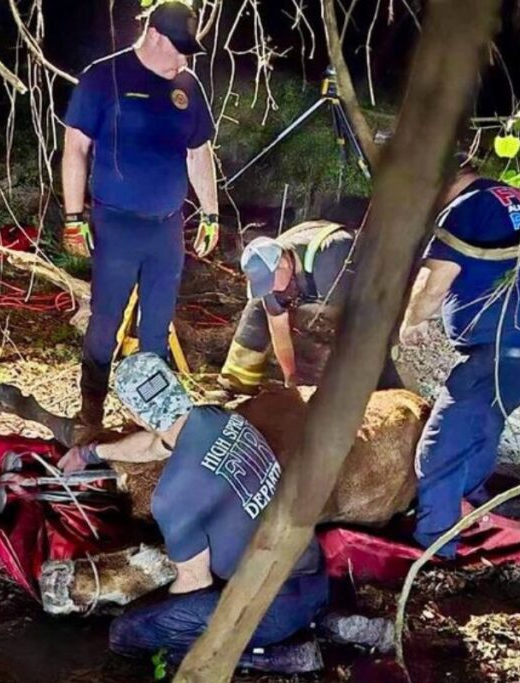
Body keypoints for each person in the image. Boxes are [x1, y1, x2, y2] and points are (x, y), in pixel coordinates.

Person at [59, 352, 328, 672]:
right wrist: (90, 452)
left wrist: (145, 604)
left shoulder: (172, 498)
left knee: (129, 632)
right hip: (314, 574)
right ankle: (324, 622)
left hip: (272, 608)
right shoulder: (220, 418)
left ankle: (276, 658)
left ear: (138, 415)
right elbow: (155, 445)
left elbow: (194, 584)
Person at [399, 160, 520, 557]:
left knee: (440, 449)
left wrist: (411, 321)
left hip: (502, 352)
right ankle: (472, 509)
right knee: (484, 421)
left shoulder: (466, 208)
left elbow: (434, 282)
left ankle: (436, 548)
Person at [61, 0, 219, 428]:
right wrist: (74, 216)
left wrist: (210, 213)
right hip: (117, 225)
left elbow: (198, 151)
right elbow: (75, 148)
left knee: (158, 325)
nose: (184, 59)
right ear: (154, 35)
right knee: (106, 318)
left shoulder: (187, 88)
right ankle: (91, 404)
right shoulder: (104, 77)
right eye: (179, 48)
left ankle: (153, 415)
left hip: (167, 227)